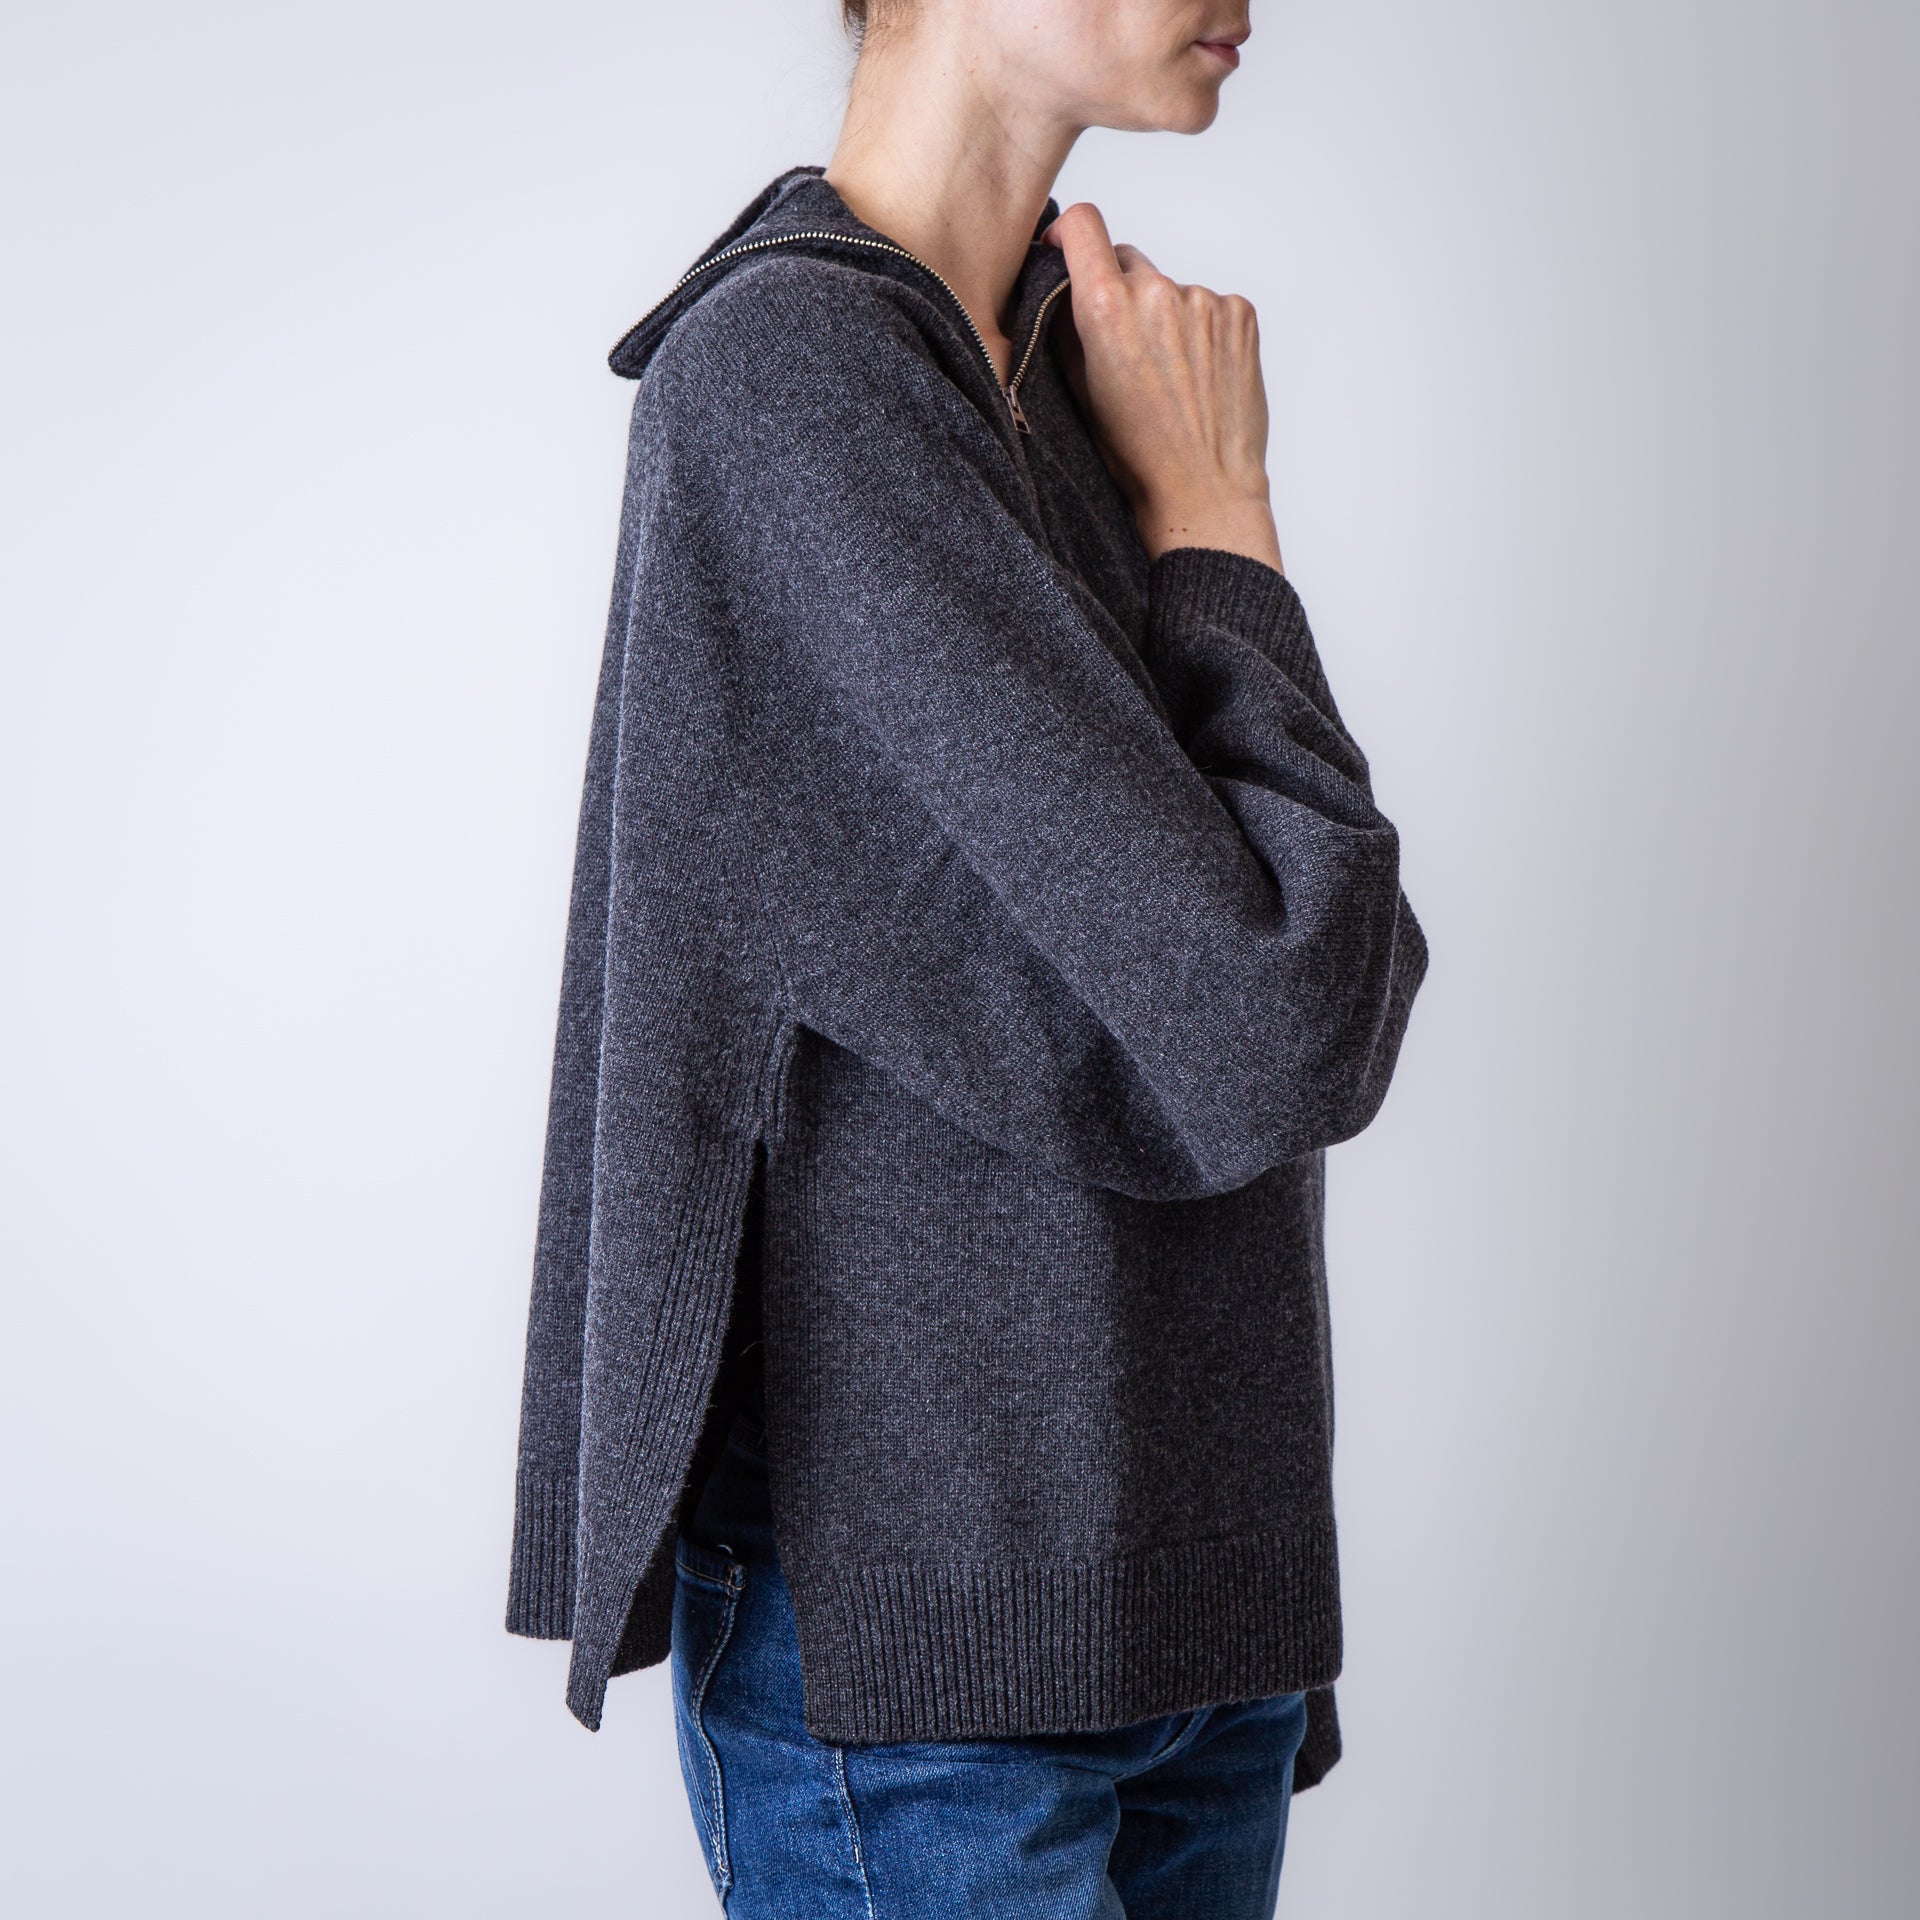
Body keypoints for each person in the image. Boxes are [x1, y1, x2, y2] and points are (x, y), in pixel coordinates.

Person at [506, 2, 1428, 1913]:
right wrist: (1225, 519)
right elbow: (1273, 1017)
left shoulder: (1086, 372)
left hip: (1198, 1599)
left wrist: (1195, 501)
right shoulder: (792, 376)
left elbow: (1290, 997)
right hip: (933, 1662)